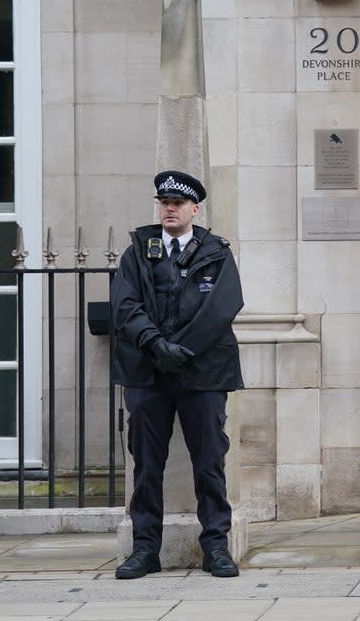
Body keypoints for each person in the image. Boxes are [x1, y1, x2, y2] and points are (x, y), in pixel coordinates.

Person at [110, 170, 244, 579]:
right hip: (148, 373)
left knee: (209, 463)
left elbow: (223, 307)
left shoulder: (216, 252)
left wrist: (180, 350)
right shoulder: (137, 252)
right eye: (164, 202)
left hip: (202, 373)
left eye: (178, 203)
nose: (170, 208)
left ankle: (217, 548)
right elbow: (124, 306)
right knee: (147, 465)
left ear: (194, 209)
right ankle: (145, 549)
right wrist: (155, 345)